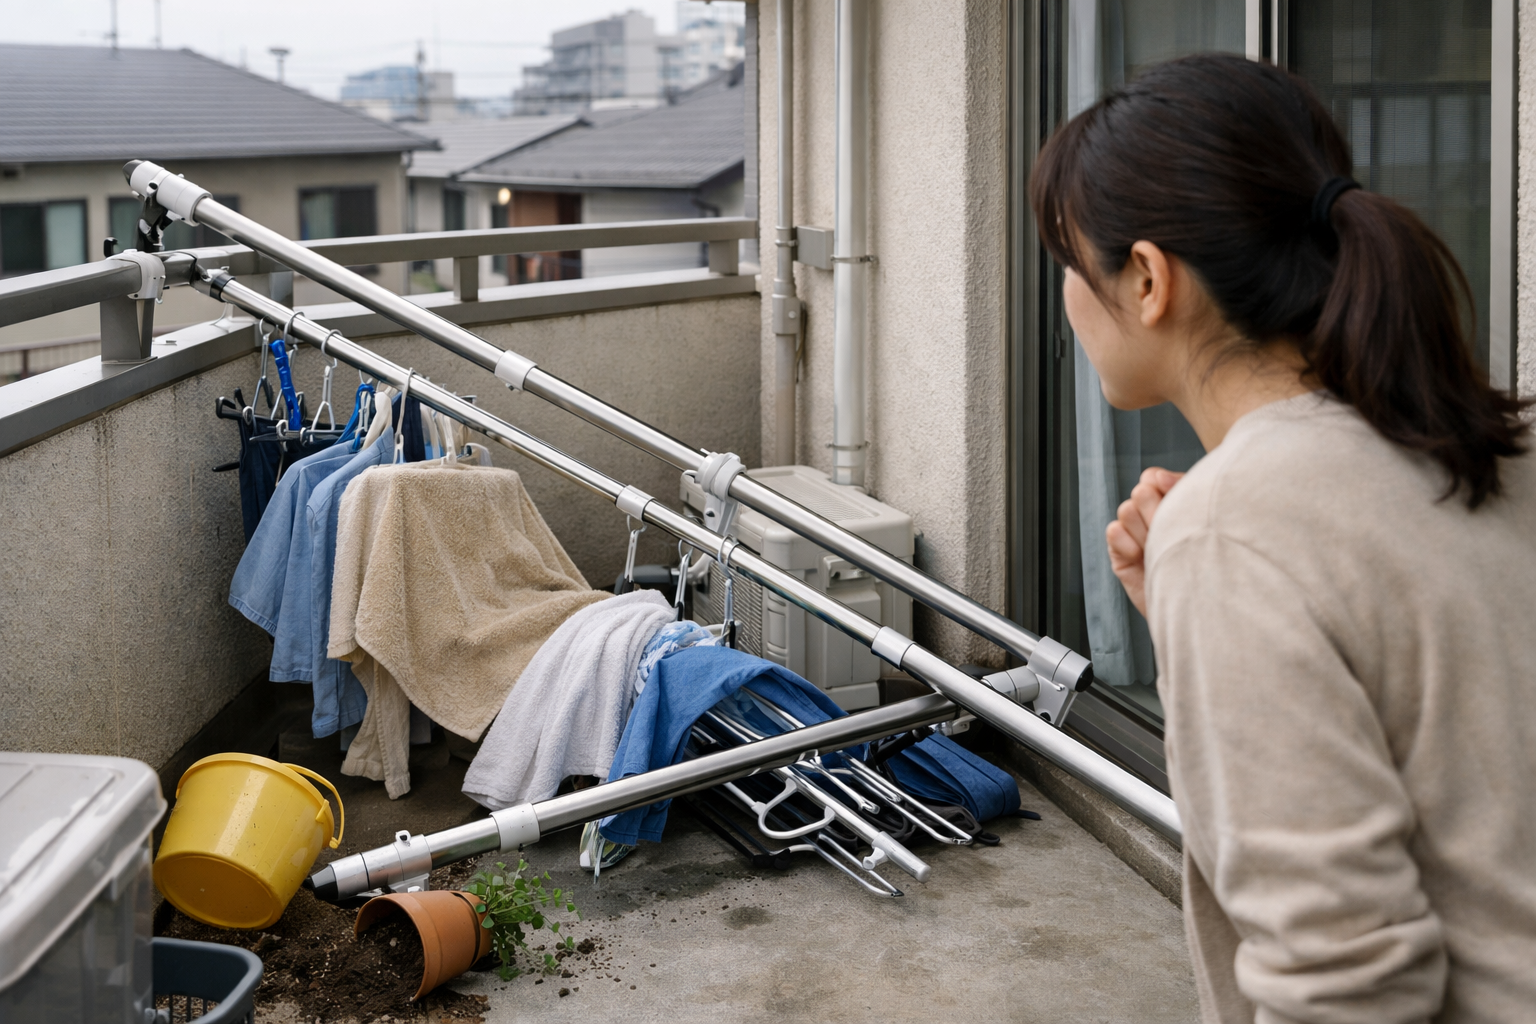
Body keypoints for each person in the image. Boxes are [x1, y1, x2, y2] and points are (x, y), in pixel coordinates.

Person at [1031, 53, 1536, 1023]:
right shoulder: (1473, 441)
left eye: (1068, 259)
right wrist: (1193, 617)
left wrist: (1214, 577)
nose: (1065, 292)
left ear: (1145, 279)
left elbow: (1345, 986)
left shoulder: (1235, 528)